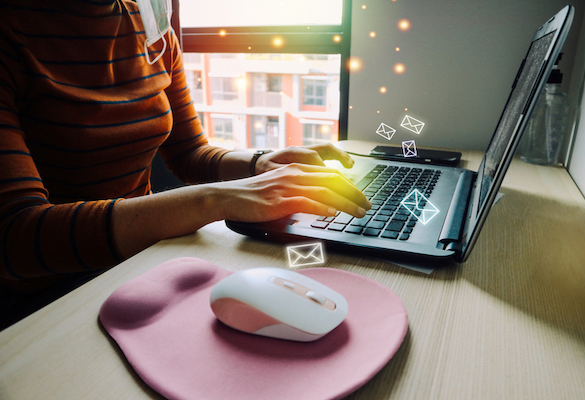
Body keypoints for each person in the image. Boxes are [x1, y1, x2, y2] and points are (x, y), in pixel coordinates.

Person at [0, 0, 371, 328]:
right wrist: (215, 199)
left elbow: (190, 153)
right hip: (46, 296)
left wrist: (260, 163)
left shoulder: (146, 18)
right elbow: (14, 237)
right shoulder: (11, 28)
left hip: (139, 261)